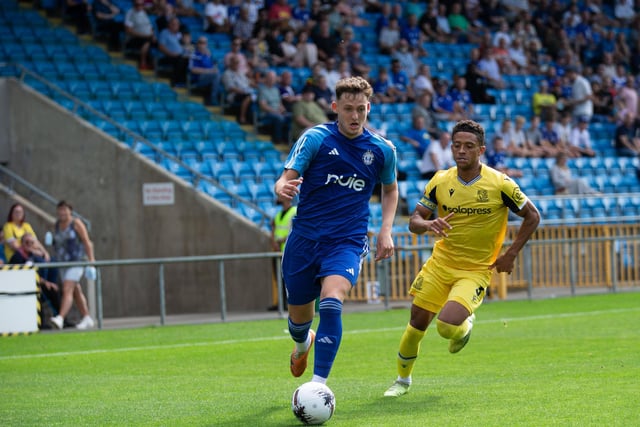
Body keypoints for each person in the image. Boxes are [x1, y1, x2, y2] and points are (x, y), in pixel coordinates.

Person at [384, 119, 540, 397]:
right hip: (440, 264)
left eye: (468, 146)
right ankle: (402, 381)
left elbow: (532, 216)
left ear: (481, 150)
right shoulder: (441, 181)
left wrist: (511, 253)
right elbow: (415, 220)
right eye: (457, 146)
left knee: (446, 326)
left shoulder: (500, 183)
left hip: (476, 270)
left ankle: (464, 328)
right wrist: (429, 224)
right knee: (416, 325)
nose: (461, 151)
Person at [274, 76, 398, 386]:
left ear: (368, 108)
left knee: (332, 301)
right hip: (304, 239)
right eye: (348, 109)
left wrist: (385, 230)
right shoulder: (315, 138)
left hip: (347, 241)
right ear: (334, 108)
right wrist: (282, 187)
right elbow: (285, 178)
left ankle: (318, 386)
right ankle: (303, 343)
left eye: (361, 109)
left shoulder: (382, 149)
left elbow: (390, 189)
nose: (355, 116)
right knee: (298, 323)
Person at [49, 201, 96, 330]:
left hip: (76, 261)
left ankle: (60, 318)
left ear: (70, 211)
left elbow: (87, 242)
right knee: (75, 291)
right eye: (60, 210)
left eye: (65, 210)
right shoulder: (57, 225)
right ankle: (87, 317)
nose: (62, 213)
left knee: (67, 288)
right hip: (63, 263)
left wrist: (91, 261)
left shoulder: (76, 223)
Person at [268, 197, 297, 311]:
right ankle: (281, 303)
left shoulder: (294, 211)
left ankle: (290, 303)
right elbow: (274, 229)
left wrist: (282, 240)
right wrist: (274, 242)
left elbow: (295, 229)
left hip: (289, 250)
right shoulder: (278, 214)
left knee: (289, 278)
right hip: (278, 251)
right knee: (279, 278)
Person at [257, 70, 292, 144]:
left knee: (290, 116)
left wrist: (283, 110)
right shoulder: (262, 90)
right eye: (270, 78)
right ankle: (278, 139)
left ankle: (287, 139)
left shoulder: (276, 89)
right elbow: (263, 106)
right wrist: (275, 111)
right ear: (266, 78)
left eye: (273, 78)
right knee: (279, 118)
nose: (272, 80)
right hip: (267, 113)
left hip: (277, 111)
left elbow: (280, 103)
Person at [188, 36, 222, 106]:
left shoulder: (208, 55)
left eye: (204, 43)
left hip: (208, 77)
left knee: (218, 73)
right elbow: (193, 69)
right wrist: (209, 71)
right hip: (198, 78)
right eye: (200, 42)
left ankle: (219, 98)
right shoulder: (194, 54)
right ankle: (213, 98)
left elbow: (213, 67)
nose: (202, 45)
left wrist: (213, 69)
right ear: (197, 44)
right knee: (216, 75)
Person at [124, 0, 155, 70]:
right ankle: (143, 62)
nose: (139, 6)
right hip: (135, 37)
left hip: (147, 36)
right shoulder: (130, 13)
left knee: (152, 41)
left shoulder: (144, 13)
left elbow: (149, 26)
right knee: (147, 41)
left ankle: (148, 62)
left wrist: (152, 35)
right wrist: (144, 35)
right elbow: (129, 30)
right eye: (137, 4)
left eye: (141, 4)